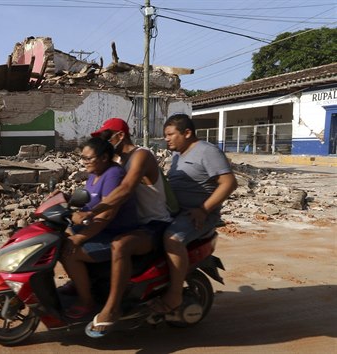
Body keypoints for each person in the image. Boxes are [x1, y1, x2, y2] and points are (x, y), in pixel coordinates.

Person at [71, 118, 173, 337]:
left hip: (154, 223)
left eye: (106, 137)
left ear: (119, 136)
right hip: (135, 223)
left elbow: (126, 189)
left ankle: (112, 309)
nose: (104, 141)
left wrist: (94, 212)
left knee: (120, 246)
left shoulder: (140, 155)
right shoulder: (117, 161)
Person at [151, 113, 237, 316]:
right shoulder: (178, 155)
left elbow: (229, 183)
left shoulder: (207, 151)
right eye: (165, 135)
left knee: (172, 239)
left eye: (170, 134)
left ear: (187, 133)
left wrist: (203, 209)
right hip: (175, 211)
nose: (166, 138)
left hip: (197, 215)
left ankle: (174, 296)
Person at [60, 137, 139, 319]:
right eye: (83, 158)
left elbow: (106, 215)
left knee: (68, 251)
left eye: (88, 158)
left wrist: (79, 238)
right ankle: (80, 281)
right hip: (98, 231)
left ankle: (86, 301)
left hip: (113, 233)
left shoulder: (113, 174)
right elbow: (88, 205)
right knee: (58, 238)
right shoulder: (94, 174)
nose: (84, 162)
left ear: (104, 157)